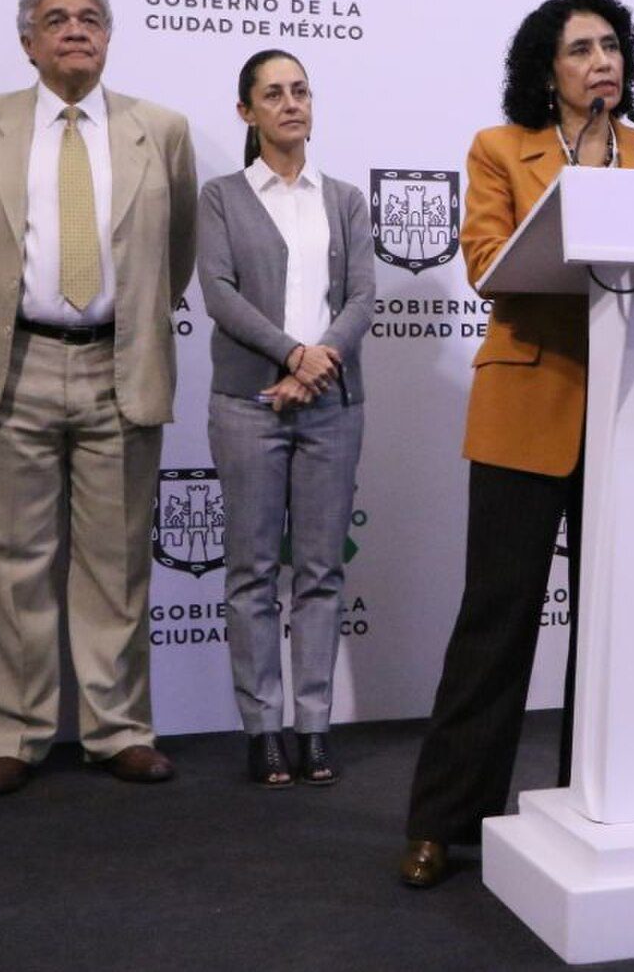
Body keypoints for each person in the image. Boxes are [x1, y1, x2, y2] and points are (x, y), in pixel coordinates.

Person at [399, 0, 634, 888]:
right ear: (547, 70)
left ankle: (597, 801)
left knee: (617, 627)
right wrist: (582, 194)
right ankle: (445, 821)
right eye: (581, 49)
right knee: (498, 618)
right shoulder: (500, 148)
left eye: (612, 46)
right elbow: (488, 262)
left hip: (633, 412)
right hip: (526, 404)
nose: (602, 62)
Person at [0, 0, 199, 794]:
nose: (75, 31)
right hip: (16, 363)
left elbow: (176, 253)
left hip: (120, 363)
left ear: (109, 37)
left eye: (90, 19)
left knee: (116, 564)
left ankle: (118, 729)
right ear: (29, 42)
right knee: (14, 560)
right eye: (56, 20)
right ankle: (12, 733)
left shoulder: (162, 130)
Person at [199, 49, 374, 788]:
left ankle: (313, 727)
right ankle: (262, 730)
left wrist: (318, 362)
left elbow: (361, 297)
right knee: (251, 573)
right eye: (272, 94)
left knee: (321, 572)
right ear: (247, 111)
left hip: (332, 406)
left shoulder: (345, 199)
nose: (291, 103)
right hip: (249, 404)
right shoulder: (221, 197)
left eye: (300, 90)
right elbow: (219, 293)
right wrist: (292, 355)